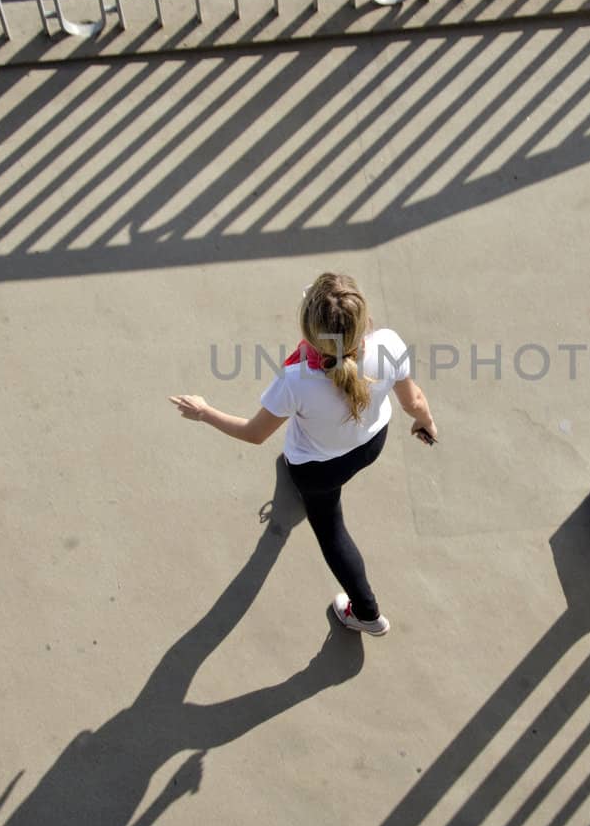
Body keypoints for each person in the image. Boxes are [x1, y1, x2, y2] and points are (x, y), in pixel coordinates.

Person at [171, 272, 438, 636]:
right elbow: (414, 401)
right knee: (328, 500)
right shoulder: (389, 343)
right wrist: (426, 422)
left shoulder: (295, 380)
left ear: (310, 330)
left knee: (330, 529)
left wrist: (203, 412)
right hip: (370, 445)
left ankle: (368, 614)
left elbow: (254, 434)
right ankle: (364, 613)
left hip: (316, 469)